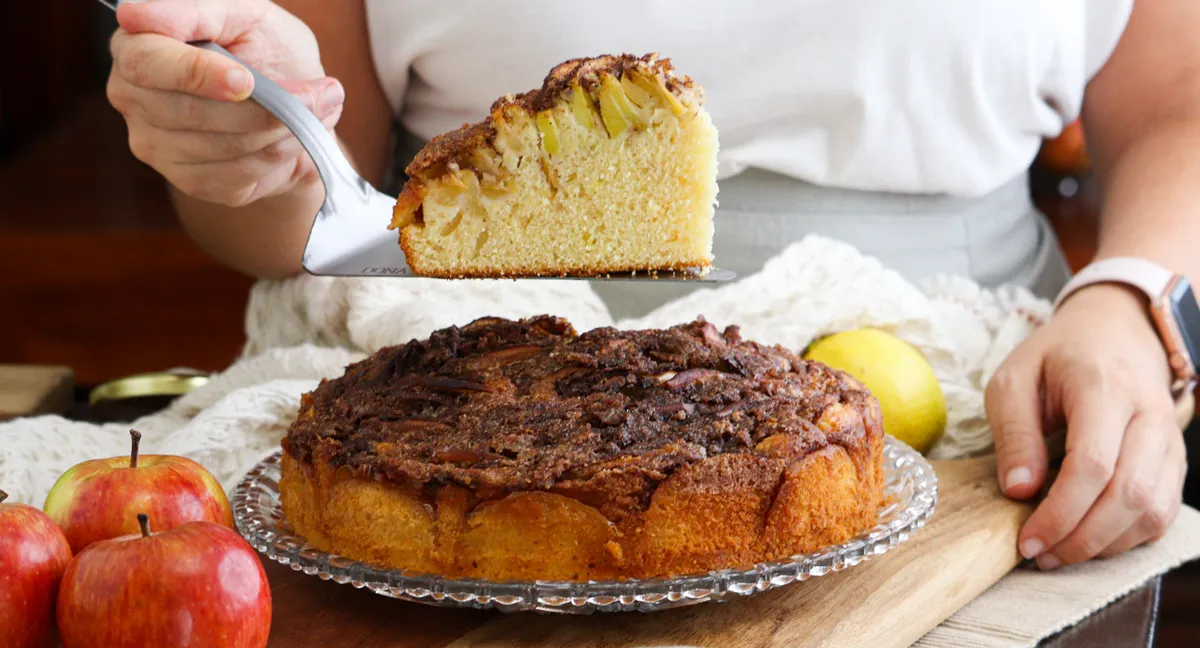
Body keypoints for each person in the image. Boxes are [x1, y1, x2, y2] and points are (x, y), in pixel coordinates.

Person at [104, 0, 1197, 572]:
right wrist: (259, 143)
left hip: (975, 431)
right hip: (440, 401)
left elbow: (1178, 101)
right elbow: (288, 220)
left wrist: (1134, 297)